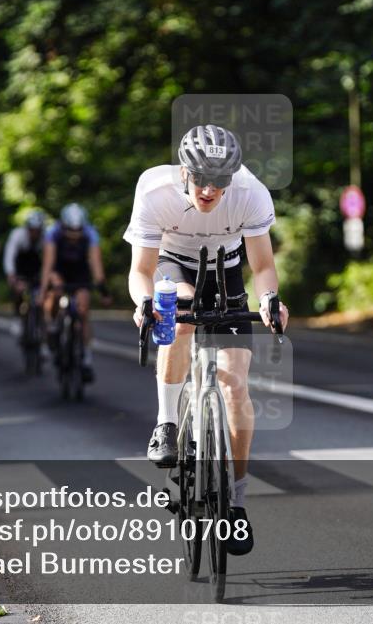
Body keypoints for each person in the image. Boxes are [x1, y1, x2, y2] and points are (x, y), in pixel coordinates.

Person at [124, 124, 289, 556]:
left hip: (225, 268)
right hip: (170, 266)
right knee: (178, 321)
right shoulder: (154, 190)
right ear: (184, 172)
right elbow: (140, 270)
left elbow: (263, 265)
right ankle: (166, 423)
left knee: (235, 385)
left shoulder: (251, 193)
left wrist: (270, 299)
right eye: (201, 179)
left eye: (221, 181)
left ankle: (235, 504)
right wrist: (145, 303)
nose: (210, 190)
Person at [38, 203, 110, 382]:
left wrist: (102, 289)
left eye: (77, 233)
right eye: (70, 233)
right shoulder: (52, 233)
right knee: (54, 292)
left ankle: (86, 357)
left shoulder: (90, 234)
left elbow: (96, 264)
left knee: (83, 309)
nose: (73, 237)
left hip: (80, 272)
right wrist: (43, 290)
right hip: (59, 270)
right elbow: (48, 265)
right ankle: (54, 326)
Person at [4, 210, 47, 313]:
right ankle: (18, 313)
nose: (34, 233)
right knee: (19, 291)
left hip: (36, 266)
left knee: (42, 295)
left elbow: (48, 259)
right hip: (20, 266)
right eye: (32, 230)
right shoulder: (17, 235)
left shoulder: (45, 237)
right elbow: (9, 255)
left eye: (38, 230)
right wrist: (11, 273)